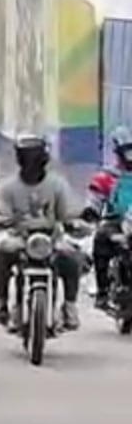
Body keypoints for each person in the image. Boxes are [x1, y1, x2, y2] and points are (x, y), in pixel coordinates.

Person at [0, 134, 85, 331]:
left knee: (71, 256)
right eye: (26, 156)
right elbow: (1, 211)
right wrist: (0, 220)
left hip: (51, 238)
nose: (31, 162)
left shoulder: (57, 185)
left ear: (43, 159)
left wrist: (75, 221)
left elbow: (66, 212)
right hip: (21, 238)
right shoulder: (8, 187)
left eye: (35, 157)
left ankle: (70, 305)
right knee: (4, 252)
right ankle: (2, 303)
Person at [94, 127, 132, 308]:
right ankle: (102, 290)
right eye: (128, 151)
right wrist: (90, 211)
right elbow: (94, 198)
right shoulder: (108, 176)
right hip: (117, 222)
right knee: (101, 238)